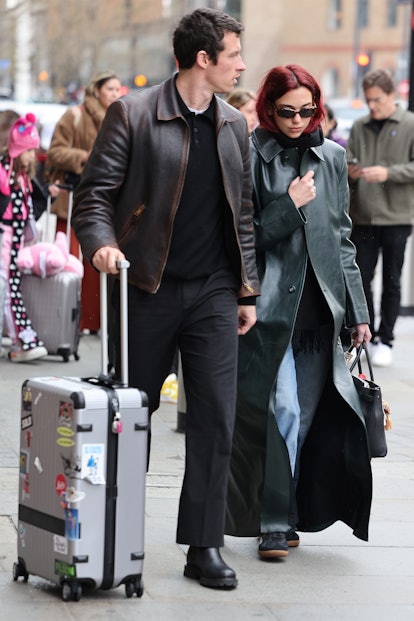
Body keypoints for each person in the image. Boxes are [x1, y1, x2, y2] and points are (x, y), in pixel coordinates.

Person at [71, 8, 259, 589]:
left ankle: (204, 547)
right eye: (233, 55)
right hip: (145, 287)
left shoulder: (233, 125)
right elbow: (93, 198)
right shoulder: (132, 113)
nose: (242, 65)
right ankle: (115, 540)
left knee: (215, 420)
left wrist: (246, 289)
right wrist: (102, 245)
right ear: (204, 59)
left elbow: (243, 214)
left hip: (213, 293)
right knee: (131, 418)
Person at [225, 64, 373, 559]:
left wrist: (358, 310)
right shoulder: (250, 154)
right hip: (268, 311)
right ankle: (272, 522)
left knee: (306, 416)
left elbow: (341, 238)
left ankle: (286, 515)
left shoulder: (331, 157)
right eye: (287, 110)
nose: (297, 119)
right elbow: (240, 238)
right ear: (269, 107)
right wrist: (288, 204)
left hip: (319, 312)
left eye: (307, 110)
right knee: (281, 409)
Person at [347, 68, 414, 368]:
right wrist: (351, 169)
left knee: (392, 280)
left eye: (377, 99)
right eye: (368, 100)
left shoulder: (410, 124)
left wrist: (389, 173)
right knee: (361, 278)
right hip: (362, 214)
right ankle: (368, 335)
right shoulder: (360, 125)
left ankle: (386, 338)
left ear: (392, 95)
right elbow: (347, 158)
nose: (372, 105)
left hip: (397, 215)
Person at [46, 70, 121, 333]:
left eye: (117, 89)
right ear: (96, 90)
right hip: (70, 201)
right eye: (110, 88)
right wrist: (84, 156)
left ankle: (94, 321)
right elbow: (54, 151)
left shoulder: (120, 118)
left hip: (103, 203)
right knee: (68, 262)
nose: (115, 93)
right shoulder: (74, 115)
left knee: (96, 264)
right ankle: (65, 319)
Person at [0, 113, 60, 362]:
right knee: (6, 286)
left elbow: (29, 207)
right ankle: (19, 340)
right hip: (5, 236)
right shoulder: (7, 172)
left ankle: (20, 339)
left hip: (15, 239)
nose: (32, 156)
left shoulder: (23, 176)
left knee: (11, 287)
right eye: (28, 151)